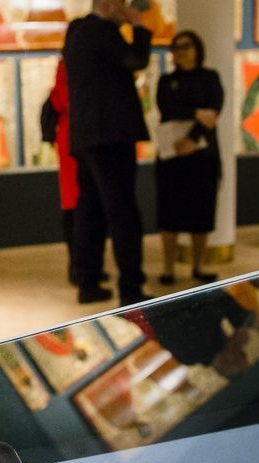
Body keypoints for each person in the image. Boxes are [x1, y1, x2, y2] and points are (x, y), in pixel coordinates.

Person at [62, 0, 153, 306]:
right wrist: (138, 25)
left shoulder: (77, 31)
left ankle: (87, 282)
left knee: (91, 210)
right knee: (123, 212)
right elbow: (136, 59)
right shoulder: (100, 31)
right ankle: (131, 288)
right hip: (111, 135)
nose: (125, 8)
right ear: (110, 4)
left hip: (87, 136)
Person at [153, 30, 224, 285]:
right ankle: (168, 268)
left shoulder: (210, 78)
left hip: (202, 155)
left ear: (197, 49)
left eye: (186, 46)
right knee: (169, 212)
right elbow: (166, 106)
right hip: (172, 155)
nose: (181, 52)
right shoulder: (166, 81)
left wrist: (193, 139)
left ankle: (199, 265)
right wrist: (196, 112)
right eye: (176, 47)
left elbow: (213, 111)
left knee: (202, 211)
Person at [49, 59, 106, 286]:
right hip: (76, 138)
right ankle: (81, 268)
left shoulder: (70, 63)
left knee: (85, 204)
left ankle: (88, 267)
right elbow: (65, 98)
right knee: (78, 205)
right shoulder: (70, 64)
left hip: (79, 136)